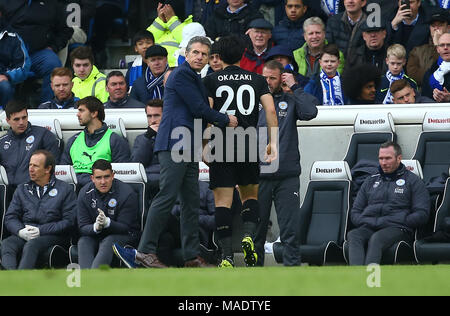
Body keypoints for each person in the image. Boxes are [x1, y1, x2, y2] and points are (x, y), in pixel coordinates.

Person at [112, 36, 238, 269]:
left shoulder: (193, 78)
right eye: (196, 53)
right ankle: (144, 251)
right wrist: (224, 120)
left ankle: (191, 256)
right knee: (167, 196)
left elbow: (197, 113)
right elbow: (199, 108)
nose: (200, 57)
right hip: (174, 144)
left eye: (204, 54)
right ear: (186, 55)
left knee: (190, 201)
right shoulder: (181, 74)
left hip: (187, 145)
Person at [203, 35, 278, 267]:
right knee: (250, 197)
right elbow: (271, 111)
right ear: (242, 54)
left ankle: (226, 256)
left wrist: (204, 146)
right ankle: (248, 235)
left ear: (218, 57)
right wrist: (273, 143)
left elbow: (206, 114)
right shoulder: (256, 79)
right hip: (247, 143)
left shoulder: (210, 80)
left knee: (223, 203)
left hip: (220, 144)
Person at [254, 60, 318, 266]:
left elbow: (310, 112)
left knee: (290, 230)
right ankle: (252, 275)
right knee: (257, 230)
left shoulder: (290, 101)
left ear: (281, 78)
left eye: (272, 78)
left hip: (287, 175)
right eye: (265, 77)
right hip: (258, 175)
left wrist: (296, 86)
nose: (268, 82)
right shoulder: (251, 102)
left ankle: (292, 272)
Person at [347, 142, 430, 265]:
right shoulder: (370, 181)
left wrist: (403, 220)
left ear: (399, 158)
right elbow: (355, 211)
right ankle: (357, 277)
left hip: (397, 228)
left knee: (377, 239)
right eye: (381, 158)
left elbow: (422, 213)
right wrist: (364, 220)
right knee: (354, 235)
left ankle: (371, 280)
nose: (384, 162)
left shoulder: (413, 181)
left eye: (388, 158)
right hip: (370, 225)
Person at [1, 150, 77, 270]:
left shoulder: (65, 189)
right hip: (26, 232)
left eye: (35, 166)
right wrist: (20, 231)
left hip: (53, 235)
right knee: (7, 244)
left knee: (32, 245)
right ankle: (11, 279)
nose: (30, 169)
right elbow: (10, 217)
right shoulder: (22, 189)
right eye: (30, 165)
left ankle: (22, 281)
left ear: (48, 169)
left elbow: (69, 221)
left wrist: (41, 230)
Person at [0, 0, 73, 104]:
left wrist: (53, 47)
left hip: (38, 54)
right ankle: (9, 110)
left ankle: (48, 107)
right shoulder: (6, 2)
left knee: (53, 63)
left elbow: (65, 31)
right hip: (10, 55)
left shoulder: (52, 4)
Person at [77, 159, 140, 269]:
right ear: (92, 178)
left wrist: (107, 223)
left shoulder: (127, 193)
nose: (103, 182)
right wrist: (95, 227)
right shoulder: (84, 193)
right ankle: (86, 279)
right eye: (98, 178)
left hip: (126, 235)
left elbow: (126, 227)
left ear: (112, 176)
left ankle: (95, 278)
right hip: (97, 234)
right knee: (83, 241)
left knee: (109, 241)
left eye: (106, 177)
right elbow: (82, 226)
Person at [60, 96, 131, 187]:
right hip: (73, 190)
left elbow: (121, 175)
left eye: (81, 111)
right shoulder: (73, 140)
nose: (77, 114)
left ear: (94, 113)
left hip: (99, 190)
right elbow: (63, 173)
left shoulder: (115, 140)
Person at [0, 100, 60, 187]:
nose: (21, 122)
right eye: (16, 119)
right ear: (8, 120)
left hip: (34, 189)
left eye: (24, 117)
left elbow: (53, 166)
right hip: (7, 191)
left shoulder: (43, 135)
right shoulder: (2, 142)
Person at [131, 99, 163, 200]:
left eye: (157, 115)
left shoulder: (176, 136)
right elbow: (136, 165)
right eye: (149, 116)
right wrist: (148, 137)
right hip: (148, 183)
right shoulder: (142, 138)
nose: (153, 120)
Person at [407, 9, 449, 87]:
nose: (436, 29)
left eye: (440, 25)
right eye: (433, 25)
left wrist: (438, 45)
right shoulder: (417, 51)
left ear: (448, 27)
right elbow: (413, 77)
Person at [0, 4, 31, 109]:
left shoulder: (13, 37)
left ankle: (7, 120)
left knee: (5, 87)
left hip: (2, 80)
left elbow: (24, 66)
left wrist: (6, 76)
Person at [147, 0, 193, 67]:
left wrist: (172, 20)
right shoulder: (159, 26)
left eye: (167, 12)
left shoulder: (190, 26)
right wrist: (160, 21)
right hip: (156, 71)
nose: (164, 14)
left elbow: (188, 42)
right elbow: (146, 39)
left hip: (177, 71)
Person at [422, 33, 450, 102]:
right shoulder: (430, 72)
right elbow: (423, 99)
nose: (445, 48)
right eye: (442, 45)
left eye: (449, 45)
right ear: (438, 49)